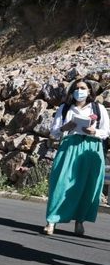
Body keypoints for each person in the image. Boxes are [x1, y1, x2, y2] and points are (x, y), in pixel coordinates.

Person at [43, 79, 109, 236]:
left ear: (89, 91)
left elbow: (106, 131)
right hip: (69, 146)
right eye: (77, 88)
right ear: (72, 92)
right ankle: (51, 221)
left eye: (83, 88)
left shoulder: (98, 108)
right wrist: (65, 127)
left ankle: (80, 221)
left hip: (91, 148)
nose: (80, 91)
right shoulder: (65, 108)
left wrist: (94, 132)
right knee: (61, 182)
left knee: (87, 185)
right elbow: (54, 132)